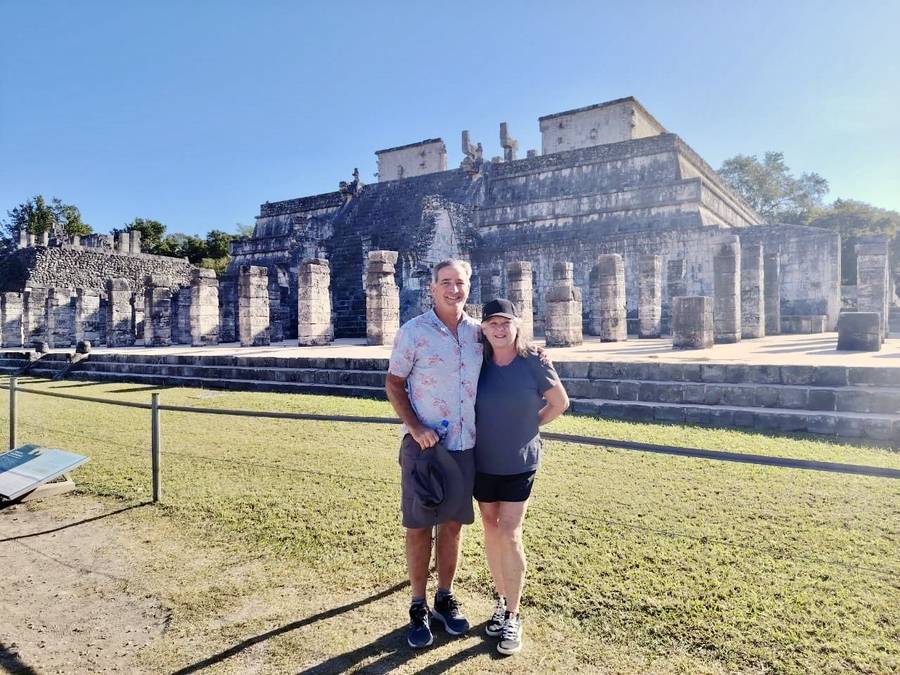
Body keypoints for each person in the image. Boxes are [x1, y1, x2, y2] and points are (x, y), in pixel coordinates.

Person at [385, 259, 481, 649]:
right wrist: (415, 425)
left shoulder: (479, 334)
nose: (453, 289)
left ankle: (444, 596)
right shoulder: (414, 332)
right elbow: (393, 383)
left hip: (464, 446)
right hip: (425, 448)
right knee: (419, 525)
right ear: (432, 288)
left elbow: (511, 349)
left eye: (459, 282)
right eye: (445, 282)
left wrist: (535, 351)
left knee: (454, 525)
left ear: (469, 286)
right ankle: (417, 604)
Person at [474, 298, 569, 656]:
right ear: (483, 328)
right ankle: (500, 601)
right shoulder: (478, 360)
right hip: (482, 460)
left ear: (516, 325)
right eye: (492, 324)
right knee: (490, 528)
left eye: (505, 323)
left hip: (518, 461)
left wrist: (531, 424)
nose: (498, 329)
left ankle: (513, 614)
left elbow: (560, 402)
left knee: (510, 532)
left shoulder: (532, 361)